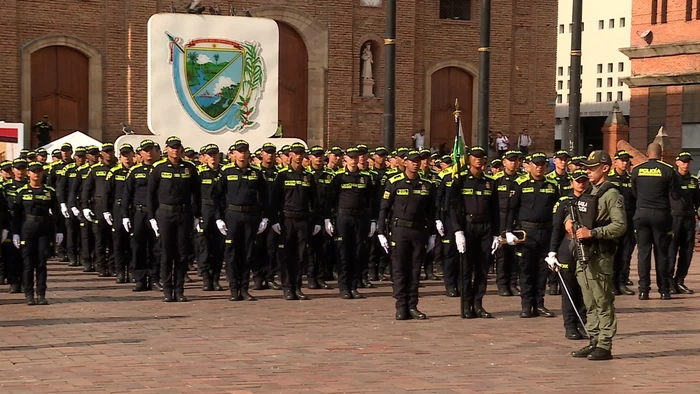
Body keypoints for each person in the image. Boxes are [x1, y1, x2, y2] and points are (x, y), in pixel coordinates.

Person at [564, 150, 627, 361]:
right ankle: (594, 339)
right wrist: (569, 222)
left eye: (593, 168)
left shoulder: (611, 194)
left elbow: (619, 226)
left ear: (605, 168)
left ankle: (605, 344)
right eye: (588, 168)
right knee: (589, 300)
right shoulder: (590, 191)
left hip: (600, 254)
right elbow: (576, 211)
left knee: (602, 299)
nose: (588, 172)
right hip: (584, 253)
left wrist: (593, 233)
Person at [377, 150, 436, 320]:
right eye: (412, 161)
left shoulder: (426, 185)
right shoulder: (394, 182)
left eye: (418, 161)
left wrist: (432, 234)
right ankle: (401, 306)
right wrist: (381, 232)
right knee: (400, 269)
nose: (415, 164)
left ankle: (412, 305)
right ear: (405, 163)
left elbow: (432, 212)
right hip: (400, 230)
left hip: (419, 231)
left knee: (415, 269)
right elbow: (384, 209)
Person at [505, 152, 560, 318]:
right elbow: (511, 209)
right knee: (526, 269)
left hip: (546, 231)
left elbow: (557, 210)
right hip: (526, 233)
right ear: (529, 165)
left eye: (542, 164)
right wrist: (507, 231)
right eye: (536, 164)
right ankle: (526, 305)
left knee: (542, 270)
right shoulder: (519, 184)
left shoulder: (552, 185)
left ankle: (539, 303)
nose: (539, 167)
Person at [147, 136, 202, 302]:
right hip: (164, 213)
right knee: (166, 253)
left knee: (182, 254)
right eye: (172, 147)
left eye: (177, 147)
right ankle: (167, 291)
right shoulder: (158, 168)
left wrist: (197, 215)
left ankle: (179, 290)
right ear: (166, 150)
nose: (175, 150)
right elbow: (150, 194)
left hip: (184, 214)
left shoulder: (189, 168)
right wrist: (152, 217)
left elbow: (197, 193)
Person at [214, 140, 269, 301]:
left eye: (245, 151)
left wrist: (265, 217)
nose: (242, 154)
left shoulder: (256, 173)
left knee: (247, 253)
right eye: (239, 151)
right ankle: (233, 289)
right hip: (232, 215)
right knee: (232, 254)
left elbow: (265, 197)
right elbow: (216, 197)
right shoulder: (226, 172)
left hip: (250, 216)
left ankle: (244, 288)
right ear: (234, 154)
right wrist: (218, 218)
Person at [450, 147, 500, 318]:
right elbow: (453, 207)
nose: (478, 160)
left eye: (481, 157)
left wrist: (496, 233)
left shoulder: (490, 182)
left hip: (485, 227)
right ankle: (465, 305)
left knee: (482, 268)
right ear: (469, 159)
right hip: (467, 227)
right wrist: (457, 230)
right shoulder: (460, 180)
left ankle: (478, 304)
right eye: (475, 157)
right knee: (466, 269)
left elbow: (495, 209)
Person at [631, 143, 681, 300]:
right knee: (662, 253)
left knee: (643, 253)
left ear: (647, 153)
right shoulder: (668, 170)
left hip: (641, 214)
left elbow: (634, 193)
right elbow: (676, 195)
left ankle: (643, 290)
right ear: (662, 153)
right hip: (661, 215)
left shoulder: (637, 170)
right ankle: (664, 290)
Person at [271, 142, 321, 301]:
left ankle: (297, 287)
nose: (299, 156)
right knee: (286, 255)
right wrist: (274, 220)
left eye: (302, 153)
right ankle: (287, 287)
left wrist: (317, 221)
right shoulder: (283, 176)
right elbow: (274, 200)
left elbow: (315, 201)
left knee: (301, 255)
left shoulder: (308, 176)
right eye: (296, 153)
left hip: (303, 219)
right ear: (290, 155)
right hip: (287, 219)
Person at [325, 147, 375, 299]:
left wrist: (373, 220)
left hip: (360, 218)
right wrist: (328, 219)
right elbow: (330, 200)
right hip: (343, 218)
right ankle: (344, 287)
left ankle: (354, 286)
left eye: (356, 157)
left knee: (358, 253)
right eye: (351, 157)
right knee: (343, 253)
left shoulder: (365, 178)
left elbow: (371, 201)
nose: (354, 160)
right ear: (345, 159)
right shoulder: (339, 177)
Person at [12, 161, 64, 305]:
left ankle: (41, 294)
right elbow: (16, 215)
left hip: (44, 229)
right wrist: (15, 233)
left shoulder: (49, 191)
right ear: (28, 173)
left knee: (41, 263)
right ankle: (29, 294)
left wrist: (59, 231)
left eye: (39, 171)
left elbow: (57, 212)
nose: (36, 174)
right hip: (27, 228)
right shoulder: (22, 192)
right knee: (28, 264)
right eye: (33, 171)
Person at [547, 170, 588, 340]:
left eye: (584, 181)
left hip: (586, 247)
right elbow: (556, 228)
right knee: (569, 290)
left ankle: (582, 322)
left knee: (585, 289)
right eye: (578, 181)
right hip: (567, 246)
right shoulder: (564, 202)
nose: (581, 184)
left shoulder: (592, 199)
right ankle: (570, 325)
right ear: (571, 182)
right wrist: (552, 251)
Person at [122, 139, 161, 292]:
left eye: (151, 149)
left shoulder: (161, 169)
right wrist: (125, 215)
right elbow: (127, 195)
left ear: (157, 152)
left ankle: (155, 278)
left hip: (157, 214)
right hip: (139, 213)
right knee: (138, 246)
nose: (149, 153)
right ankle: (139, 279)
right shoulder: (135, 171)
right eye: (145, 150)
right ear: (140, 154)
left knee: (156, 248)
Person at [103, 143, 135, 283]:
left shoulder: (136, 171)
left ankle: (133, 271)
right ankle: (120, 271)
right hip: (117, 209)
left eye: (128, 155)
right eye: (123, 155)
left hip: (133, 209)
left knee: (134, 243)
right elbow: (106, 193)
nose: (126, 158)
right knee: (118, 242)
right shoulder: (114, 172)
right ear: (119, 157)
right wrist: (106, 210)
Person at [668, 151, 699, 294]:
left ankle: (679, 281)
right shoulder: (670, 179)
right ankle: (669, 282)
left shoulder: (694, 180)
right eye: (683, 161)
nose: (686, 164)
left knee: (687, 252)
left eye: (688, 162)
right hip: (674, 218)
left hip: (689, 219)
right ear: (677, 162)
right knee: (671, 251)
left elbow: (698, 201)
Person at [195, 144, 225, 292]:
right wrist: (196, 215)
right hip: (204, 210)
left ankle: (216, 278)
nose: (212, 157)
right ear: (205, 157)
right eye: (210, 154)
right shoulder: (199, 172)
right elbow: (194, 195)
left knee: (219, 247)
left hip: (221, 212)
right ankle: (206, 278)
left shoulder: (224, 172)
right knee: (204, 246)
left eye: (215, 154)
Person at [492, 151, 522, 297]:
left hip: (516, 220)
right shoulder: (496, 180)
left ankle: (513, 283)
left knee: (515, 255)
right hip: (501, 219)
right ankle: (502, 284)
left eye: (515, 161)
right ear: (504, 163)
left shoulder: (521, 180)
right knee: (502, 255)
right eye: (510, 161)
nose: (513, 163)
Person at [608, 150, 636, 295]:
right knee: (614, 253)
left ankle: (622, 282)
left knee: (626, 253)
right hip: (613, 221)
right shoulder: (609, 179)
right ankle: (612, 283)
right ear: (615, 161)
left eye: (627, 161)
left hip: (629, 220)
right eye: (622, 160)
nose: (625, 163)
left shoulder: (632, 179)